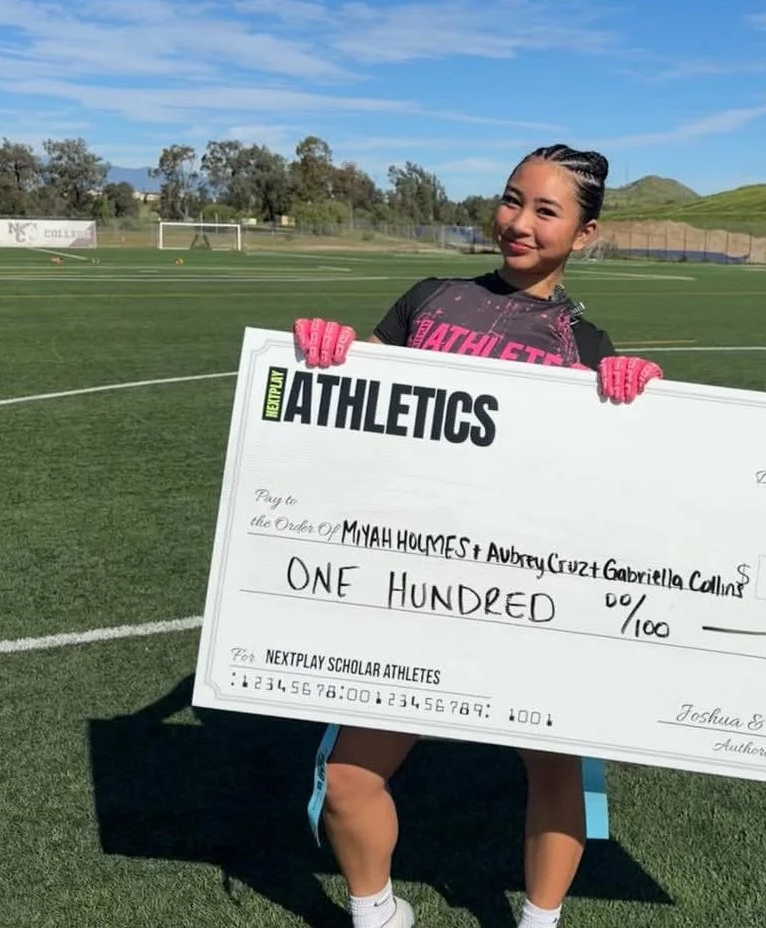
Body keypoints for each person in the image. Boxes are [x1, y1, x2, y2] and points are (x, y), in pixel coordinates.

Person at [290, 144, 664, 928]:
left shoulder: (588, 351)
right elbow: (357, 399)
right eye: (510, 200)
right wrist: (332, 349)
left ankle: (540, 920)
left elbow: (613, 484)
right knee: (351, 779)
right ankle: (378, 913)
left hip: (526, 591)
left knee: (555, 768)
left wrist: (639, 400)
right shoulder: (429, 299)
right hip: (412, 584)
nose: (518, 222)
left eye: (545, 210)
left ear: (587, 234)